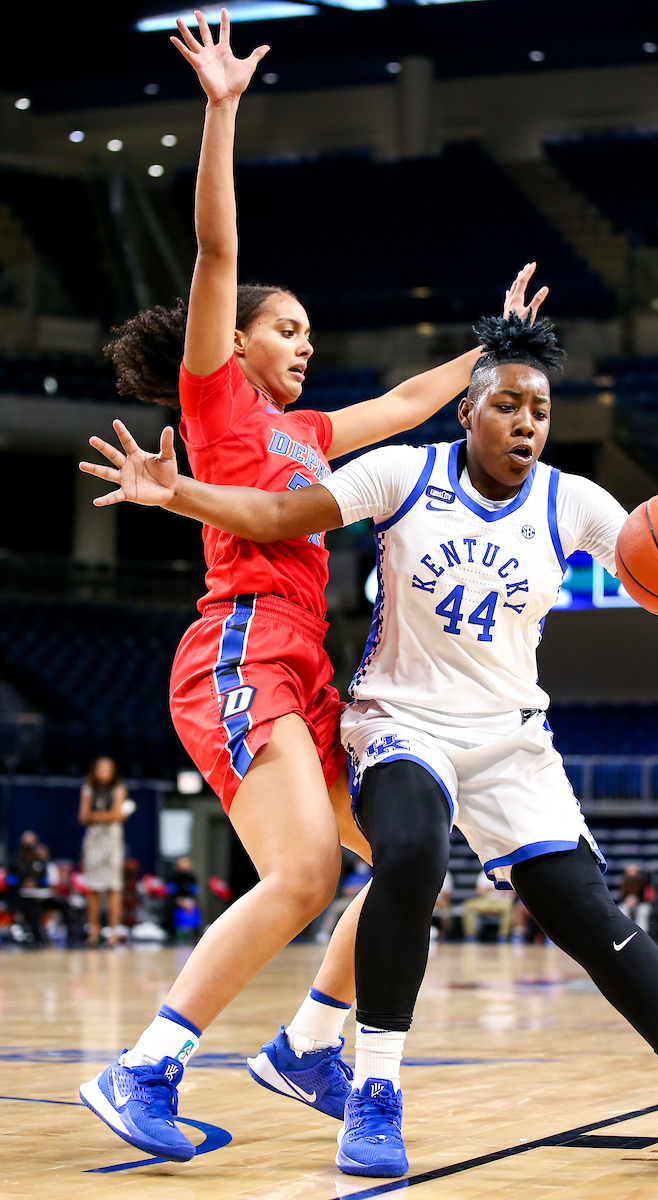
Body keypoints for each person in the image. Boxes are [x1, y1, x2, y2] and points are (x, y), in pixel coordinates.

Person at [82, 311, 658, 1184]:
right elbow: (277, 510)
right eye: (509, 403)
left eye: (542, 410)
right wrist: (173, 493)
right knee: (407, 853)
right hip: (399, 721)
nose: (527, 422)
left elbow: (653, 558)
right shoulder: (403, 474)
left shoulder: (573, 502)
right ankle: (373, 1095)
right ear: (468, 411)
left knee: (589, 917)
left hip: (511, 742)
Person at [77, 9, 545, 1164]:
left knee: (404, 863)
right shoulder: (217, 403)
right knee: (299, 871)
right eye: (282, 331)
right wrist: (221, 110)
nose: (299, 344)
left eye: (305, 333)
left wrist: (489, 354)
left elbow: (395, 410)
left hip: (303, 658)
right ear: (229, 346)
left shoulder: (304, 433)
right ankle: (147, 1067)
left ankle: (305, 1044)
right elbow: (218, 259)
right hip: (240, 648)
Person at [78, 757, 129, 947]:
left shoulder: (119, 789)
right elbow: (83, 816)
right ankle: (94, 929)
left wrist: (97, 816)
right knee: (93, 886)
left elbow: (117, 815)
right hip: (94, 839)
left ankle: (113, 931)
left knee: (114, 886)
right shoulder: (88, 789)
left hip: (112, 839)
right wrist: (107, 816)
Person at [461, 871, 516, 941]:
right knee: (468, 905)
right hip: (485, 901)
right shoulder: (484, 873)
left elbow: (510, 892)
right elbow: (480, 891)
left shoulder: (504, 872)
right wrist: (498, 889)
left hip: (501, 901)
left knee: (509, 907)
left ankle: (503, 936)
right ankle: (470, 935)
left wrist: (489, 889)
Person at [618, 862, 652, 934]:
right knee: (622, 909)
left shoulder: (643, 881)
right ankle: (625, 932)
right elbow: (622, 896)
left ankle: (642, 933)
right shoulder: (624, 882)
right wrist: (628, 901)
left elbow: (647, 896)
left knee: (643, 910)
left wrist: (637, 900)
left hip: (641, 903)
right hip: (627, 903)